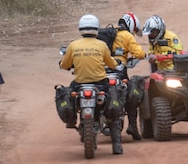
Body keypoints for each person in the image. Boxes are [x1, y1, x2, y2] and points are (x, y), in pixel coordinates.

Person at [59, 14, 126, 154]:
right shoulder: (101, 45)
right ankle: (117, 144)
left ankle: (71, 120)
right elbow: (111, 63)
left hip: (79, 84)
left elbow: (65, 64)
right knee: (113, 105)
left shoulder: (73, 45)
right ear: (96, 29)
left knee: (68, 95)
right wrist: (117, 63)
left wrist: (63, 64)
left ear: (80, 29)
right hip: (100, 84)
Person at [112, 12, 147, 140]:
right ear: (132, 25)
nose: (134, 32)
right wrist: (144, 55)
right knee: (131, 94)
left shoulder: (108, 32)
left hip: (101, 69)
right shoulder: (127, 36)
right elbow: (138, 53)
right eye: (135, 29)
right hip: (119, 70)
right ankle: (133, 125)